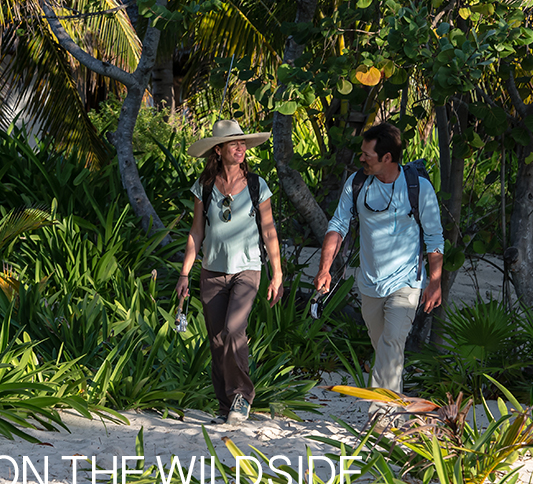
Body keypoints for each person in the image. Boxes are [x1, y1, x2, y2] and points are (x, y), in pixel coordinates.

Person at [314, 122, 443, 427]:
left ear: (387, 157)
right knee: (385, 348)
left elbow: (435, 239)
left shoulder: (418, 188)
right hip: (370, 283)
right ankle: (395, 408)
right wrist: (324, 268)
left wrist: (435, 282)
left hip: (406, 283)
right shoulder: (357, 184)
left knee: (390, 346)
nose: (362, 159)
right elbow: (338, 225)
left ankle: (381, 421)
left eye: (367, 154)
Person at [177, 120, 283, 424]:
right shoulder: (205, 186)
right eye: (233, 144)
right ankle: (226, 407)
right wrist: (185, 273)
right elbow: (196, 231)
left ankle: (242, 396)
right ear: (219, 150)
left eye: (243, 143)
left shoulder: (256, 185)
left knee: (234, 330)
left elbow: (269, 230)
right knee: (217, 340)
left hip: (247, 270)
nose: (240, 148)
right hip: (212, 271)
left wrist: (276, 274)